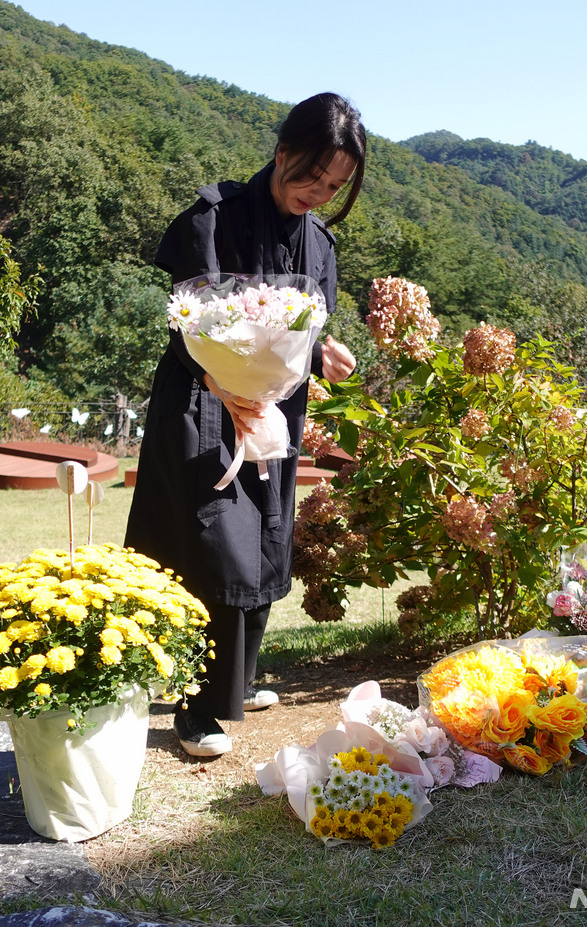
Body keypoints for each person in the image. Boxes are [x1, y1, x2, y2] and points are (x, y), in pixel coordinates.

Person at [125, 92, 366, 757]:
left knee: (266, 536)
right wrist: (217, 382)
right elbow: (189, 323)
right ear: (283, 152)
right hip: (201, 402)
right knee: (213, 545)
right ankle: (197, 707)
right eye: (313, 176)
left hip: (272, 409)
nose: (319, 194)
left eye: (335, 186)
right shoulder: (216, 215)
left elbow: (298, 333)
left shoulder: (319, 243)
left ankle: (239, 676)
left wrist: (322, 355)